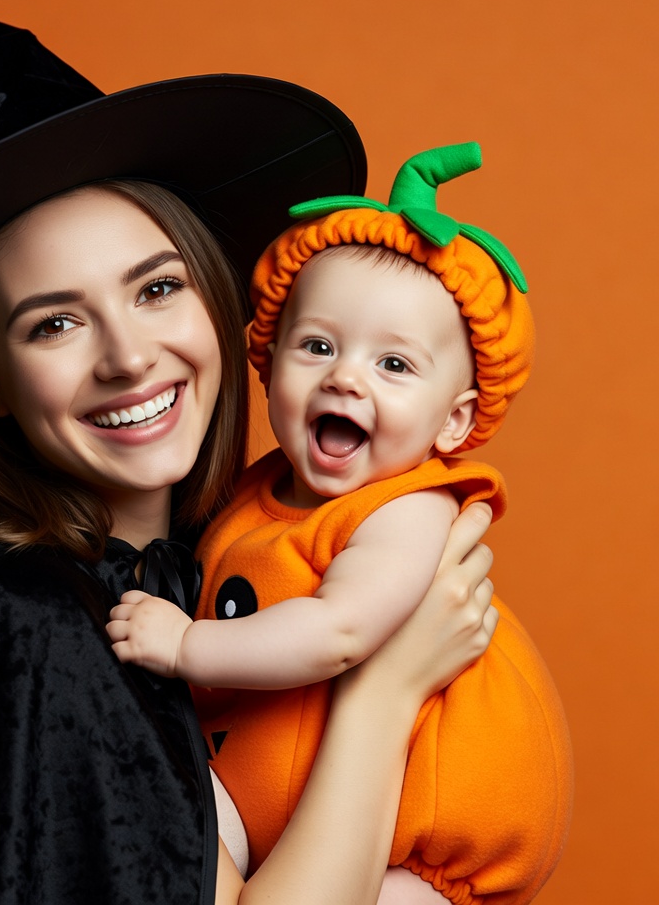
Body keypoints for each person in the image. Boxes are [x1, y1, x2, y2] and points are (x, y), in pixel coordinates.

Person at [0, 12, 499, 905]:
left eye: (157, 288)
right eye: (55, 323)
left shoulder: (213, 567)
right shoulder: (26, 614)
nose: (127, 357)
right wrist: (386, 689)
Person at [108, 144, 573, 903]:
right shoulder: (255, 489)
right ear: (267, 360)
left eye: (394, 365)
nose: (346, 376)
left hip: (410, 845)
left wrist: (188, 644)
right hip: (266, 799)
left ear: (454, 421)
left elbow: (340, 631)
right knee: (176, 827)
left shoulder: (411, 509)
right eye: (318, 346)